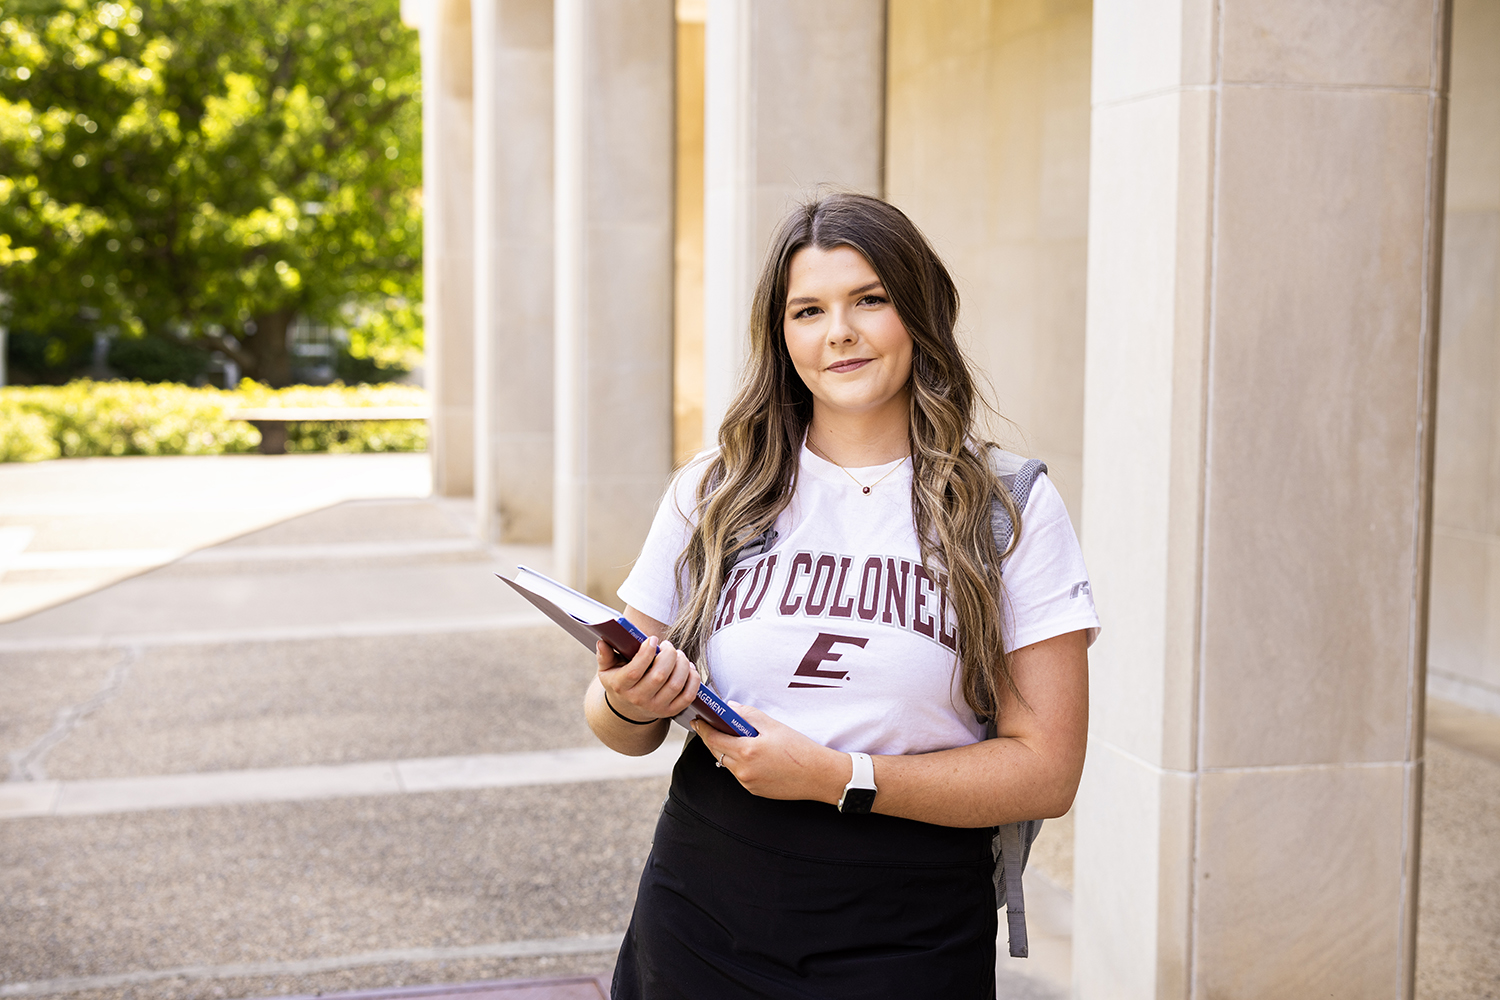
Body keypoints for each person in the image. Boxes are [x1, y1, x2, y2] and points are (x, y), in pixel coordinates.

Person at [583, 193, 1098, 999]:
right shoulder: (719, 490)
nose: (839, 333)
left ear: (918, 312)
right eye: (808, 310)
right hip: (702, 913)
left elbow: (1047, 772)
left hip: (909, 929)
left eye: (870, 300)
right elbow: (618, 727)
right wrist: (628, 699)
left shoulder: (1005, 508)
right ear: (781, 336)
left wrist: (838, 775)